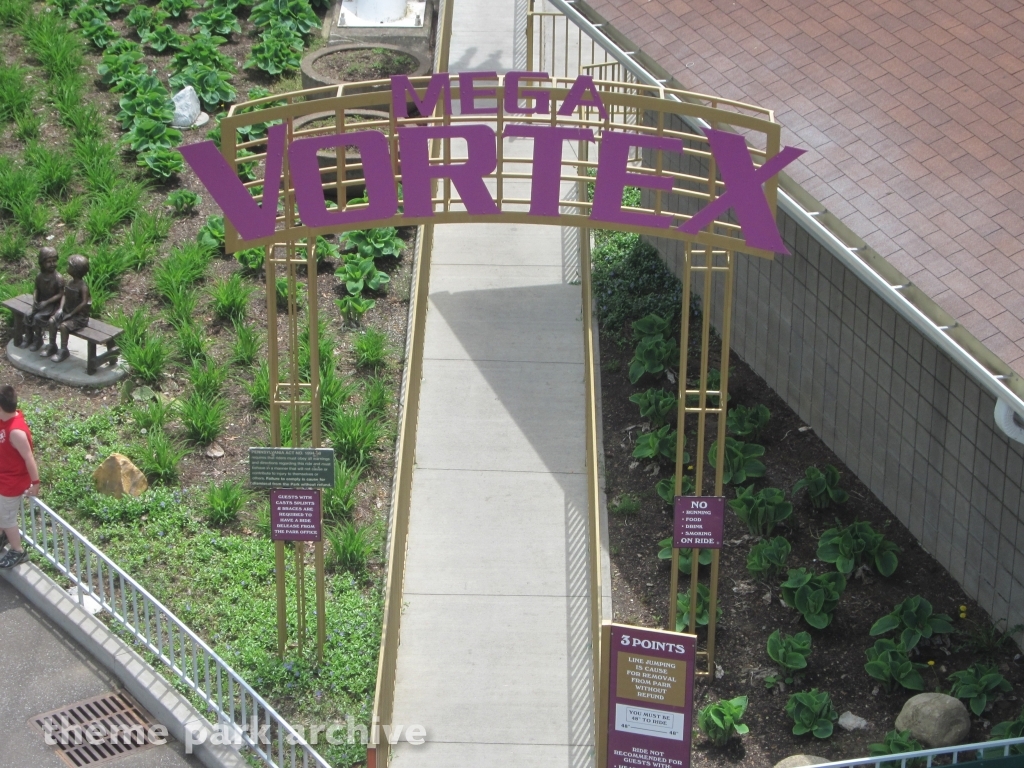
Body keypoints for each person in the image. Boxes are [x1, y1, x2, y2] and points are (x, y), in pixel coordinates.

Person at [0, 385, 38, 568]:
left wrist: (35, 483)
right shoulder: (4, 420)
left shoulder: (16, 432)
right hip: (3, 477)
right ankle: (3, 535)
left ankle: (18, 551)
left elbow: (29, 458)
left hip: (11, 483)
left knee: (6, 518)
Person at [16, 246, 64, 354]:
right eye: (49, 262)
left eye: (54, 261)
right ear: (42, 263)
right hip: (41, 303)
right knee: (28, 315)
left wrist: (46, 303)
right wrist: (35, 300)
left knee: (38, 317)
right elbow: (36, 289)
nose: (52, 264)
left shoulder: (58, 278)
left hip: (52, 305)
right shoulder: (39, 276)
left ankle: (38, 340)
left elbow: (61, 294)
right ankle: (29, 337)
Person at [49, 254, 91, 364]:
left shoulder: (83, 287)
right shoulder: (70, 283)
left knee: (64, 326)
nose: (67, 267)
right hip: (66, 312)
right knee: (52, 321)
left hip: (79, 317)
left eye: (69, 265)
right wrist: (61, 309)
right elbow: (64, 295)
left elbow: (84, 303)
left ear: (75, 270)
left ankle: (63, 350)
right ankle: (52, 345)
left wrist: (71, 314)